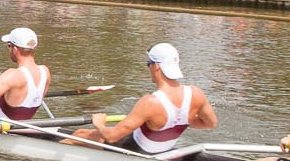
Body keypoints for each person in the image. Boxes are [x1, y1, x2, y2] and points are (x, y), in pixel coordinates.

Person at [73, 42, 217, 154]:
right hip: (162, 149)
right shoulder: (196, 93)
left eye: (148, 64)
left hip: (136, 150)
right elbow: (210, 124)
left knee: (80, 134)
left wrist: (99, 123)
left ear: (156, 67)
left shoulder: (150, 102)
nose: (148, 68)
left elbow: (112, 137)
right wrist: (181, 120)